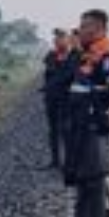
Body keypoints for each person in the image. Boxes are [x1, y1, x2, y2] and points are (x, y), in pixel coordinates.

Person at [61, 9, 109, 217]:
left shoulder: (107, 55)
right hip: (81, 117)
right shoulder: (87, 53)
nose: (81, 29)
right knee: (81, 170)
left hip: (93, 119)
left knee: (93, 173)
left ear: (100, 29)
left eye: (86, 26)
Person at [42, 28, 77, 167]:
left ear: (67, 40)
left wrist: (53, 81)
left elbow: (68, 75)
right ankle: (55, 160)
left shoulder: (73, 56)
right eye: (56, 37)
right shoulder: (51, 55)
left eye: (60, 37)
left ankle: (69, 161)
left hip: (66, 99)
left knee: (65, 130)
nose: (57, 40)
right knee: (53, 130)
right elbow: (50, 72)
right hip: (51, 98)